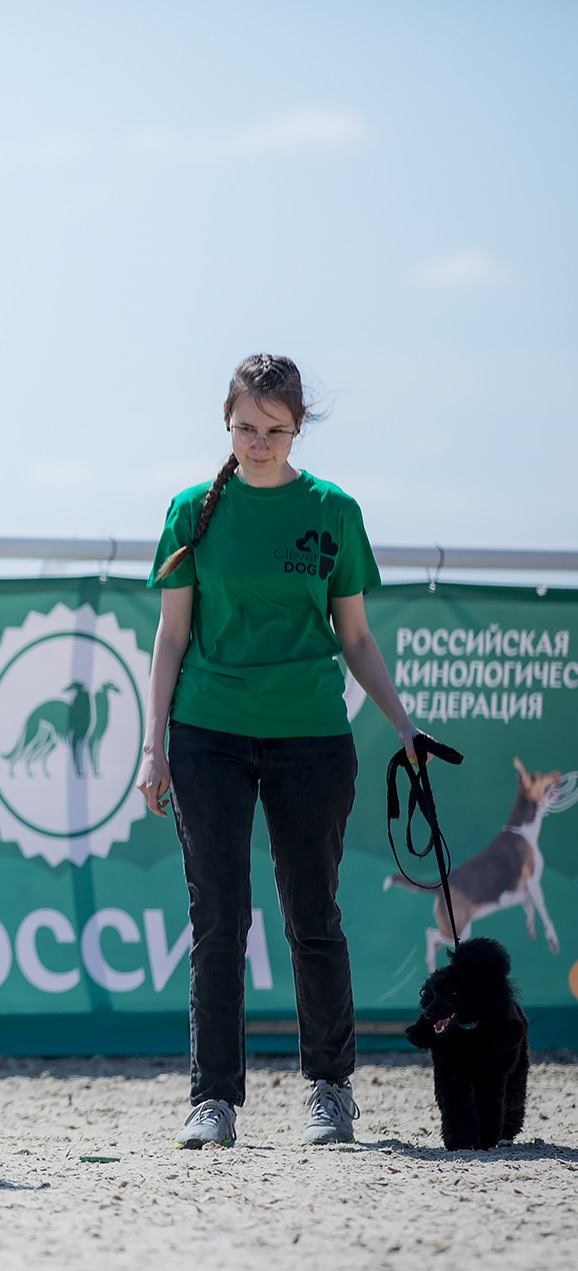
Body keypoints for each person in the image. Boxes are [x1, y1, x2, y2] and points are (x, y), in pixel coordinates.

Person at [138, 353, 427, 1149]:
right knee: (218, 918)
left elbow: (357, 637)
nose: (258, 443)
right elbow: (170, 638)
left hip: (312, 735)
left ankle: (330, 1090)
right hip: (207, 732)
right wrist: (152, 745)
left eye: (274, 429)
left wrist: (403, 725)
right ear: (224, 422)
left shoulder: (333, 510)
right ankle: (213, 1100)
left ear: (298, 427)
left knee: (313, 918)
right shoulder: (190, 511)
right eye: (244, 428)